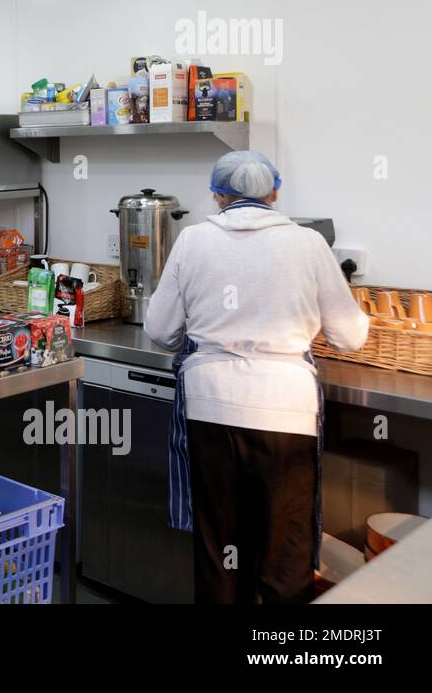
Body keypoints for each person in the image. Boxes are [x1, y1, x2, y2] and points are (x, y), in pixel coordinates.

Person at [145, 150, 368, 603]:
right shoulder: (308, 243)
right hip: (285, 411)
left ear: (216, 195)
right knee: (285, 553)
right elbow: (349, 336)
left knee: (220, 549)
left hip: (210, 404)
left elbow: (159, 330)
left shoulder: (192, 240)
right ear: (275, 192)